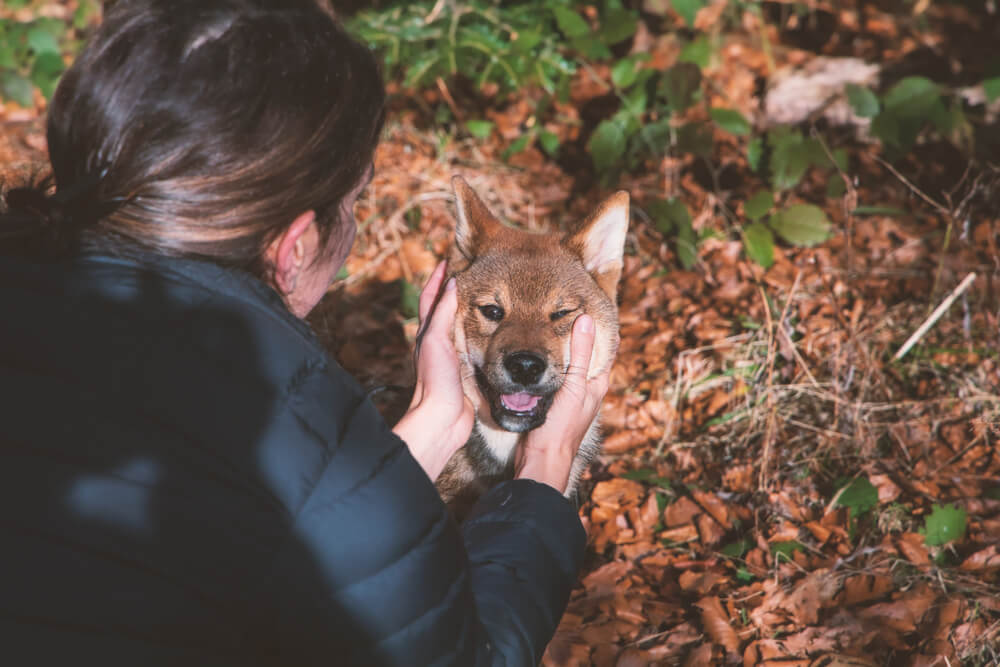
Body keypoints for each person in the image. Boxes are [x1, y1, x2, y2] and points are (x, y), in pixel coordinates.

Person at [0, 1, 612, 665]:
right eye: (352, 203)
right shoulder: (282, 416)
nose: (353, 229)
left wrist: (436, 418)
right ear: (294, 244)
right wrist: (546, 471)